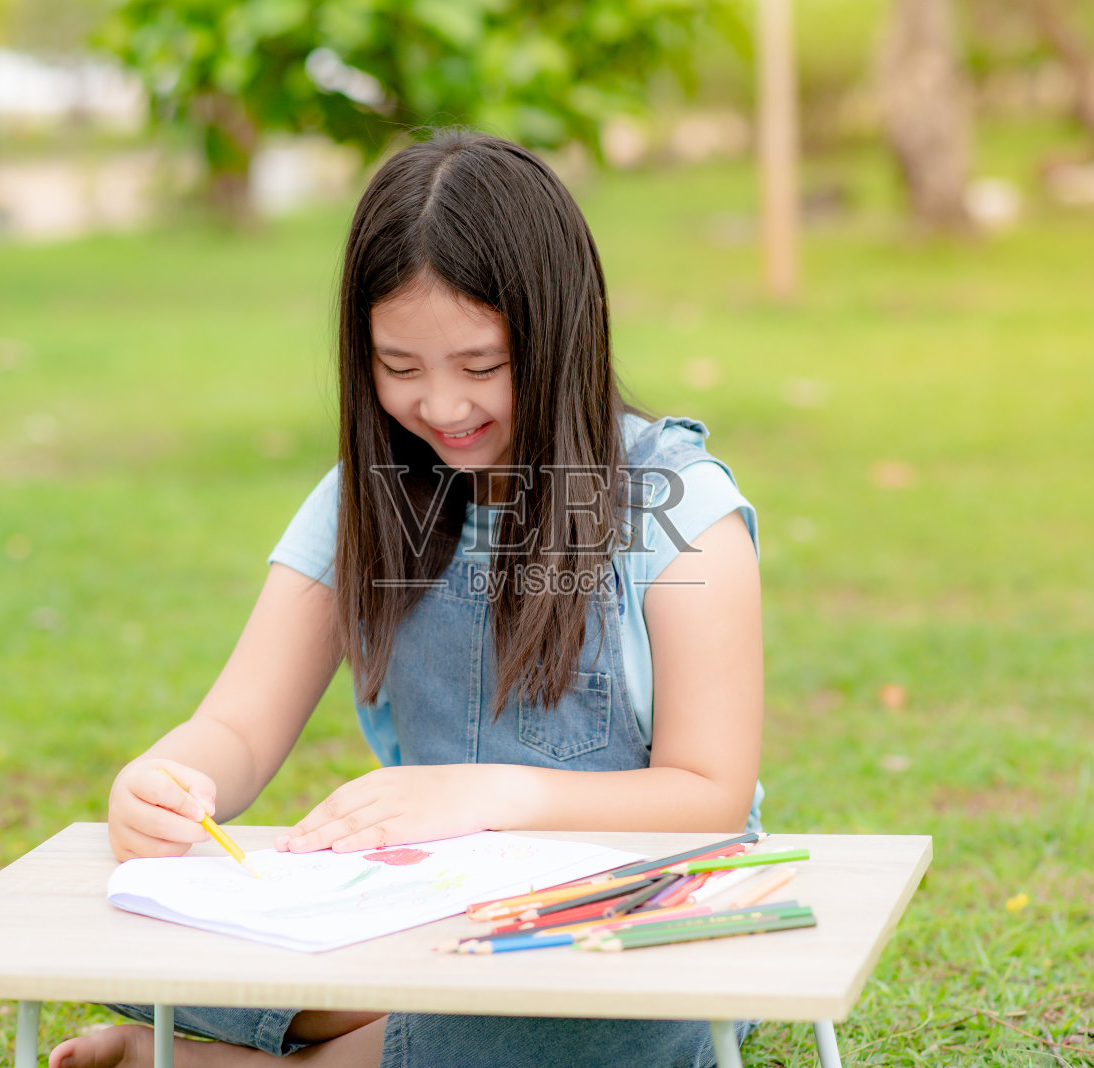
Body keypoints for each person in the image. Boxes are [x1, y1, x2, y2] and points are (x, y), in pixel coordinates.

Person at [49, 128, 765, 1068]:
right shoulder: (365, 498)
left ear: (560, 335)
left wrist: (487, 795)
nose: (443, 408)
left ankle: (194, 1059)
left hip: (633, 922)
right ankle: (390, 1027)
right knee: (127, 941)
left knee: (599, 1016)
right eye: (399, 368)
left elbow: (708, 798)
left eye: (481, 366)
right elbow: (238, 727)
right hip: (432, 918)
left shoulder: (676, 504)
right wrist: (169, 780)